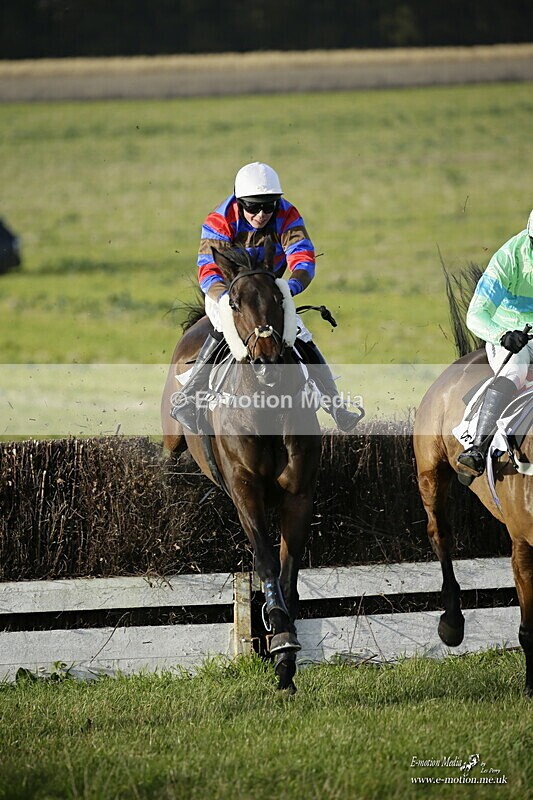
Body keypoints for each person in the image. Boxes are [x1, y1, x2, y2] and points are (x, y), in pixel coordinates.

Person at [170, 161, 363, 434]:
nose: (261, 214)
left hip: (270, 292)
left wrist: (291, 287)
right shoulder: (219, 220)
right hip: (226, 291)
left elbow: (303, 257)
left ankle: (335, 405)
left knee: (299, 333)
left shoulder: (287, 215)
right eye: (253, 207)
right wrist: (228, 300)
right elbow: (208, 270)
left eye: (268, 206)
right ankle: (188, 399)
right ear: (239, 202)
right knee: (224, 326)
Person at [456, 209, 533, 478]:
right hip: (511, 334)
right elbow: (475, 315)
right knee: (515, 371)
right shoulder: (508, 258)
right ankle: (477, 448)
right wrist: (503, 336)